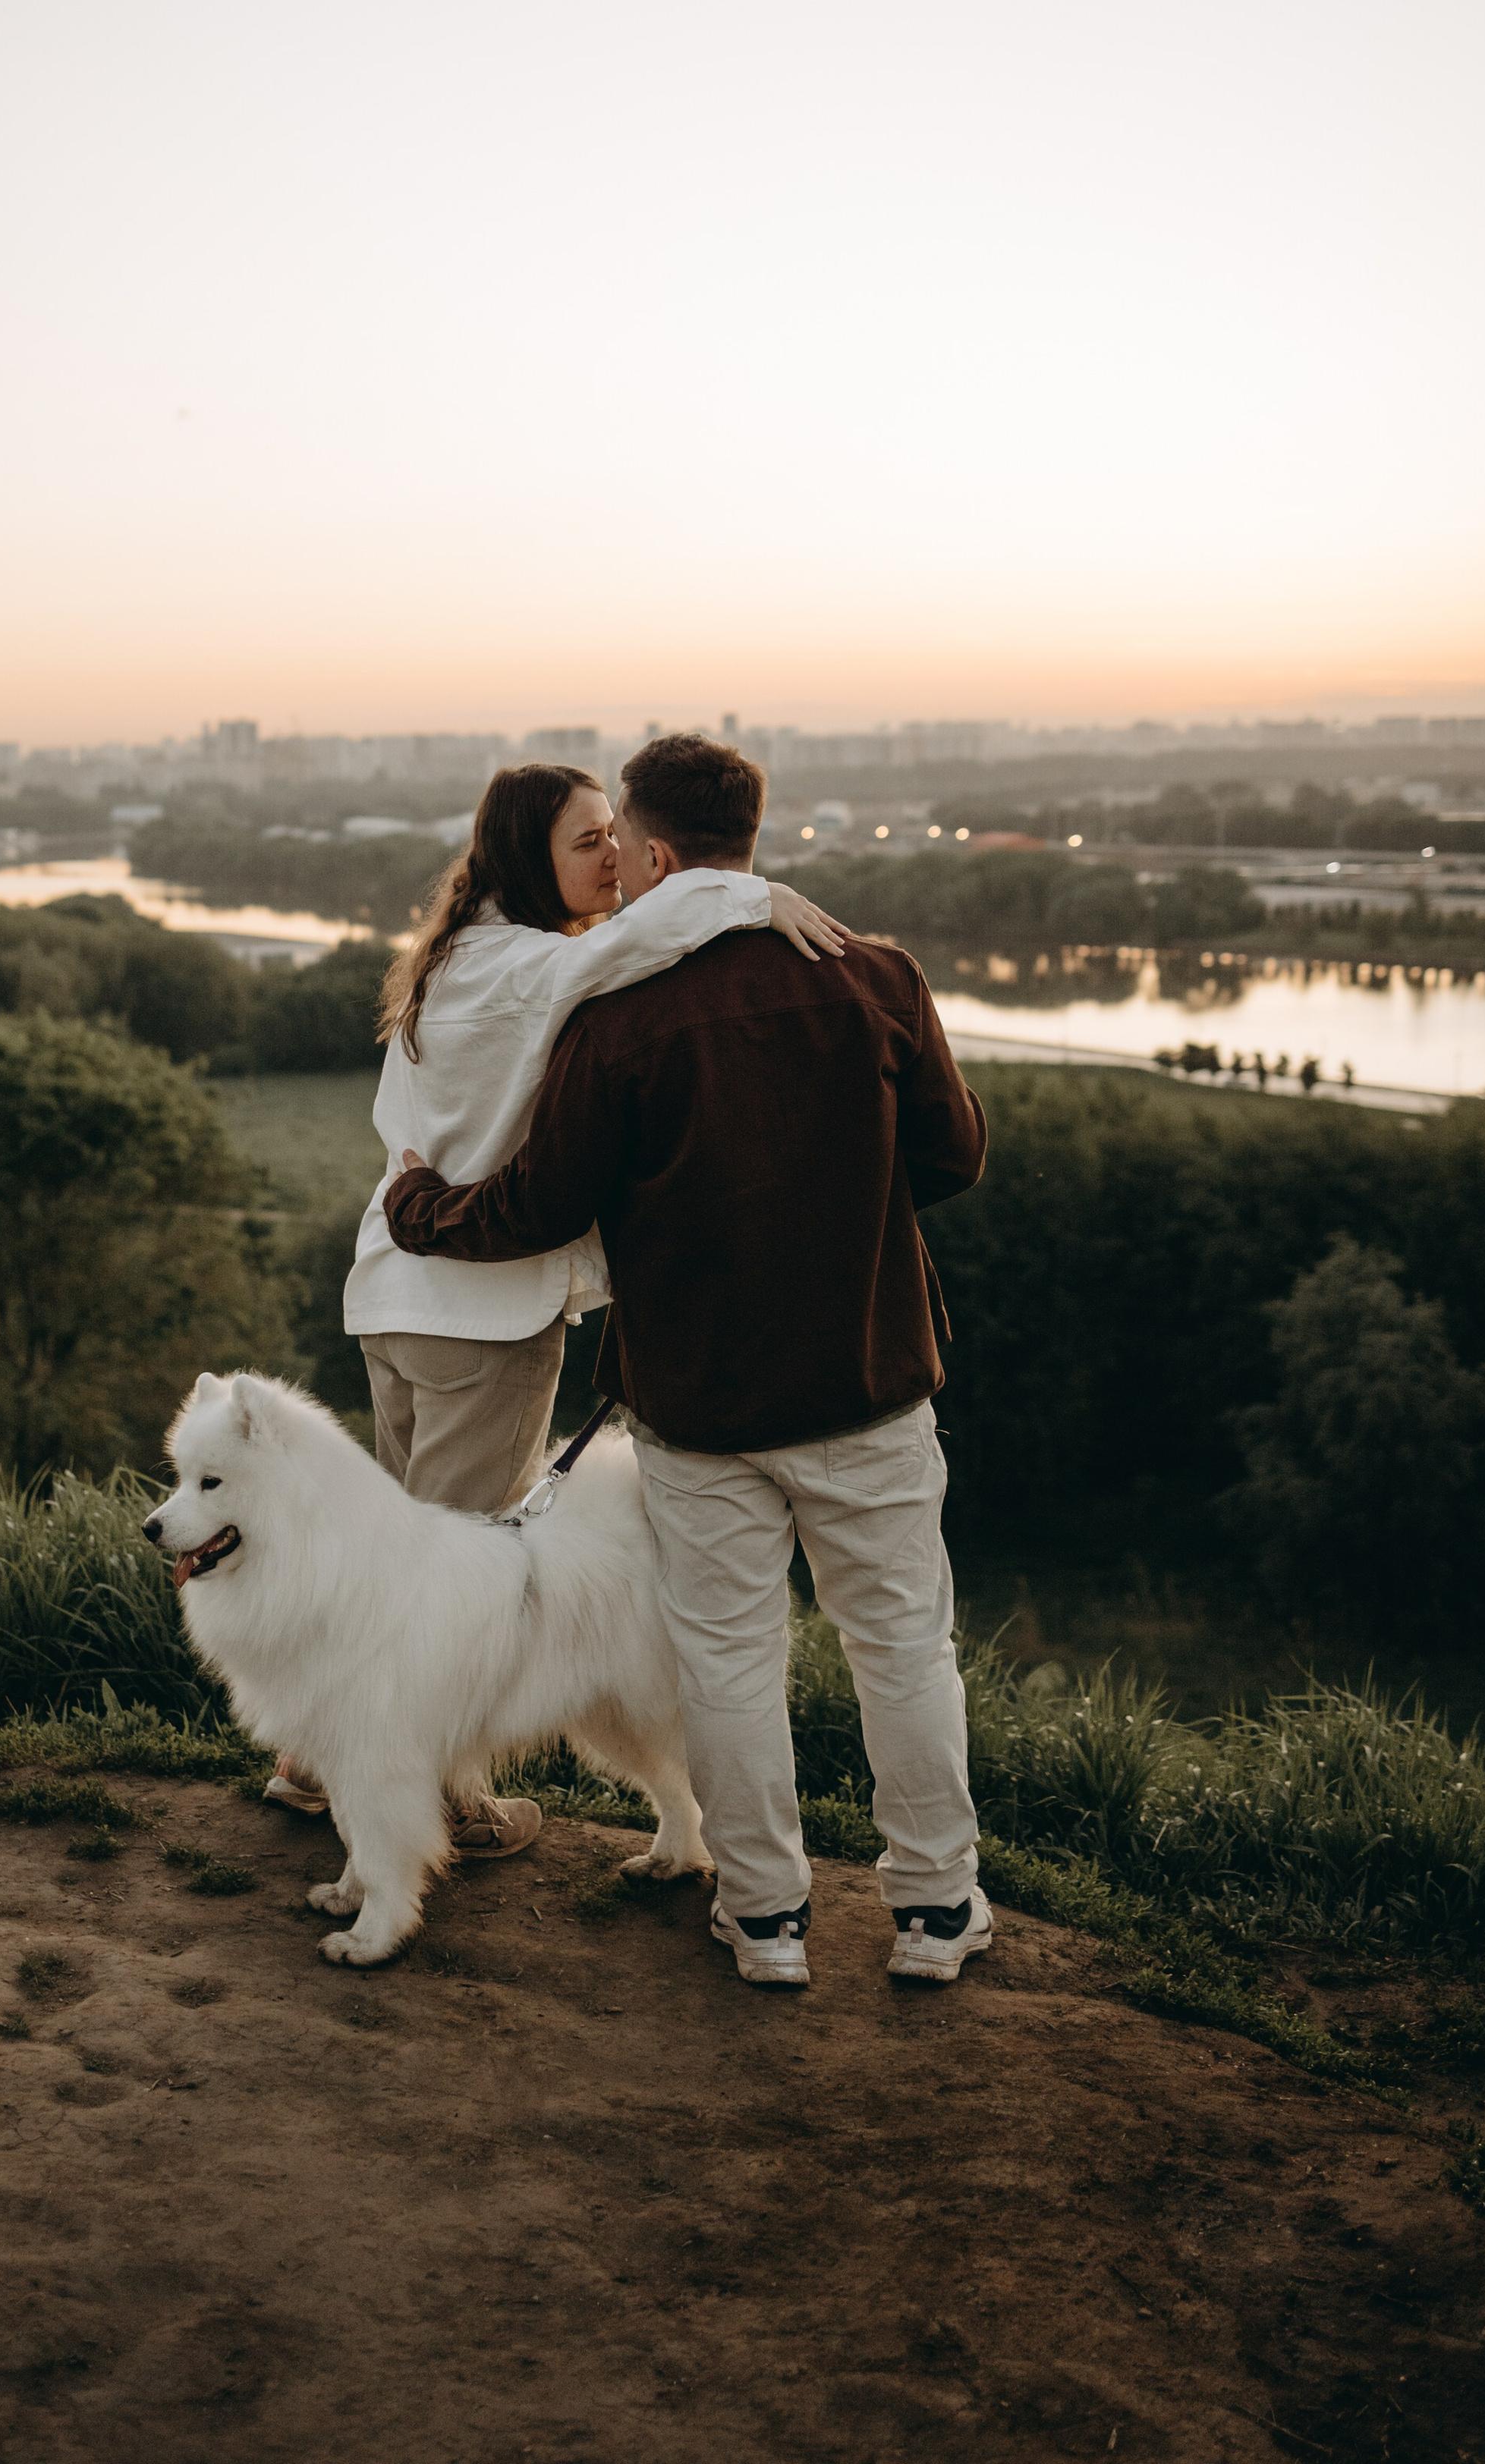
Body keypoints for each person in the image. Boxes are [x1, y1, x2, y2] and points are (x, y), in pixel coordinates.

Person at [385, 732, 989, 1991]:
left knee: (727, 1657)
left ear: (656, 852)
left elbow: (539, 1205)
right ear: (753, 838)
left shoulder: (618, 1018)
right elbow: (954, 1157)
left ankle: (766, 1921)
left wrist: (419, 1210)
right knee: (903, 1647)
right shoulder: (877, 978)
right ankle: (936, 1912)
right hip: (867, 1379)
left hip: (699, 1404)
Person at [262, 758, 848, 1856]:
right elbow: (647, 939)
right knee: (464, 1579)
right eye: (589, 842)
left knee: (399, 1553)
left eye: (615, 838)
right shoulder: (526, 968)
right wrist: (757, 894)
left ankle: (312, 1760)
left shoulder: (455, 959)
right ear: (530, 857)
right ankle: (441, 1798)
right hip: (479, 1318)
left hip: (398, 1296)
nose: (614, 858)